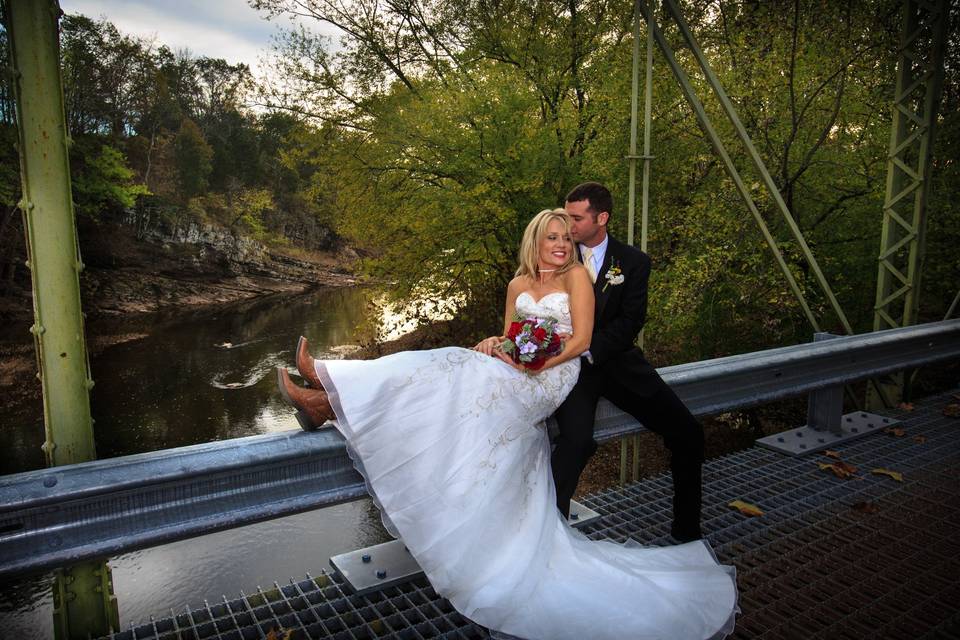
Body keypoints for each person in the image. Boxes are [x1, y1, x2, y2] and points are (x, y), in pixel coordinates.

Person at [277, 208, 737, 640]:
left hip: (553, 374)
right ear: (535, 241)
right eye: (552, 237)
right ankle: (326, 396)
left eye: (565, 237)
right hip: (518, 368)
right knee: (455, 363)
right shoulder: (517, 284)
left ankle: (327, 390)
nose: (561, 244)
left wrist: (540, 362)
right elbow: (513, 336)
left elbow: (579, 340)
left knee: (452, 370)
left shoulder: (577, 277)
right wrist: (498, 343)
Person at [554, 182, 706, 543]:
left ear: (601, 218)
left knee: (688, 434)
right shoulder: (557, 254)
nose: (567, 225)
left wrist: (588, 348)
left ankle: (687, 532)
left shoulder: (634, 262)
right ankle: (552, 537)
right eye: (565, 216)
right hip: (571, 371)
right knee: (574, 443)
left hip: (617, 363)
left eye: (576, 218)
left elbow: (631, 320)